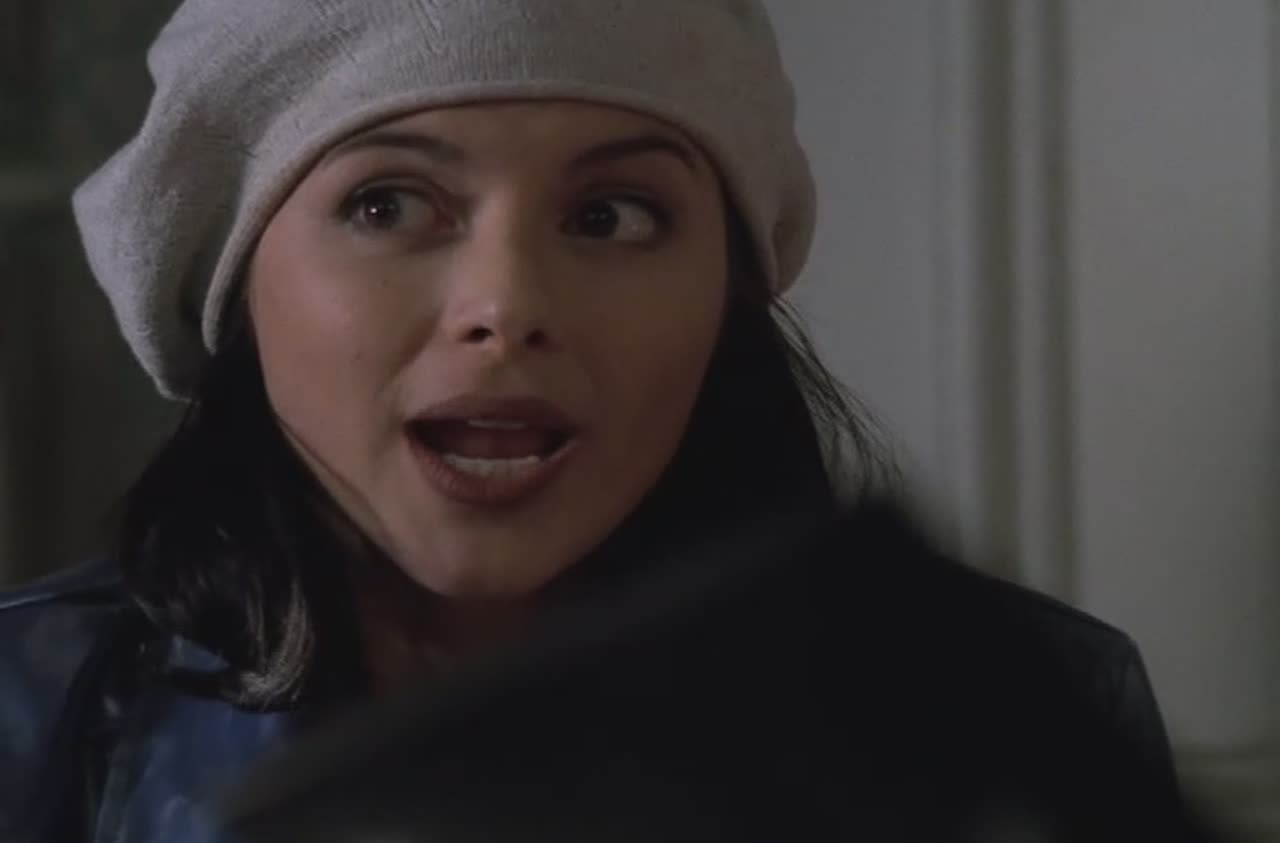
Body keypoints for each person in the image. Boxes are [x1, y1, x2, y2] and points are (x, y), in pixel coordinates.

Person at [0, 1, 1208, 840]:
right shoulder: (33, 713)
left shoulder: (1006, 714)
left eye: (612, 216)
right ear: (232, 275)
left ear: (727, 292)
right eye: (386, 204)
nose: (507, 307)